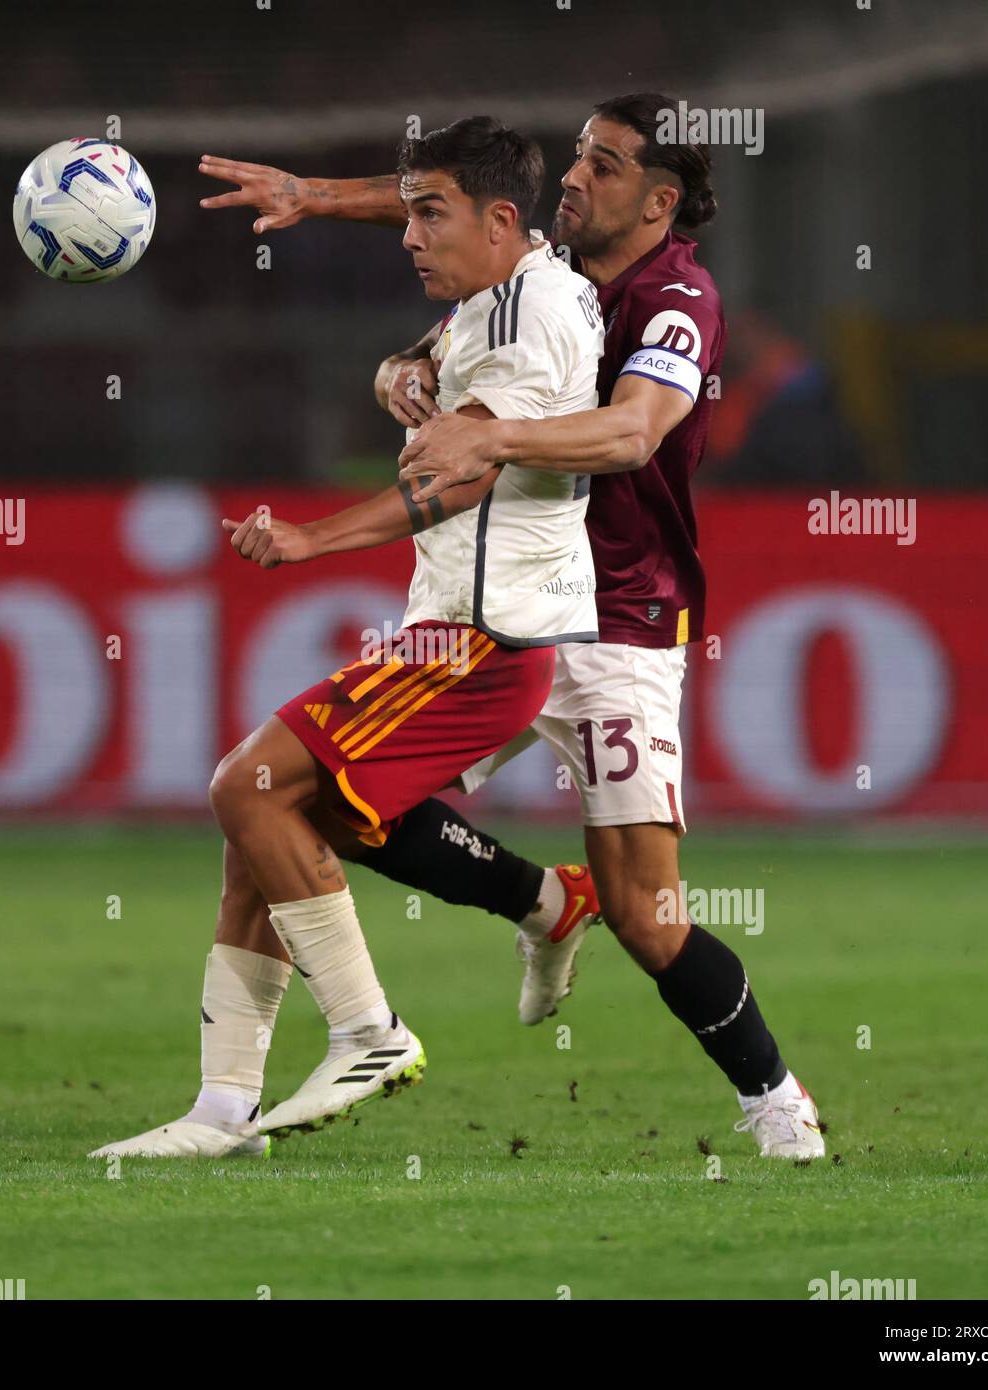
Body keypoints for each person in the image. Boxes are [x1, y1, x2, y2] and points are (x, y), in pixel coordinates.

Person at [195, 93, 825, 1159]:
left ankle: (775, 1097)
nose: (577, 178)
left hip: (621, 622)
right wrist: (390, 341)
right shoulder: (545, 274)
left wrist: (492, 441)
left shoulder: (679, 298)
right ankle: (539, 905)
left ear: (661, 200)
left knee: (648, 916)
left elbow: (631, 433)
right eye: (577, 156)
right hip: (510, 612)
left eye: (607, 166)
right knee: (331, 800)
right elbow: (450, 217)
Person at [91, 116, 605, 1160]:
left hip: (484, 639)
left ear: (501, 221)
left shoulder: (522, 321)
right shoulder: (502, 296)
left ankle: (370, 1031)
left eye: (429, 217)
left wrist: (308, 536)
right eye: (407, 212)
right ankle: (220, 1111)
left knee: (247, 786)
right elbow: (454, 358)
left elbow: (464, 473)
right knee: (269, 826)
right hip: (472, 626)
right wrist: (398, 363)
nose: (409, 236)